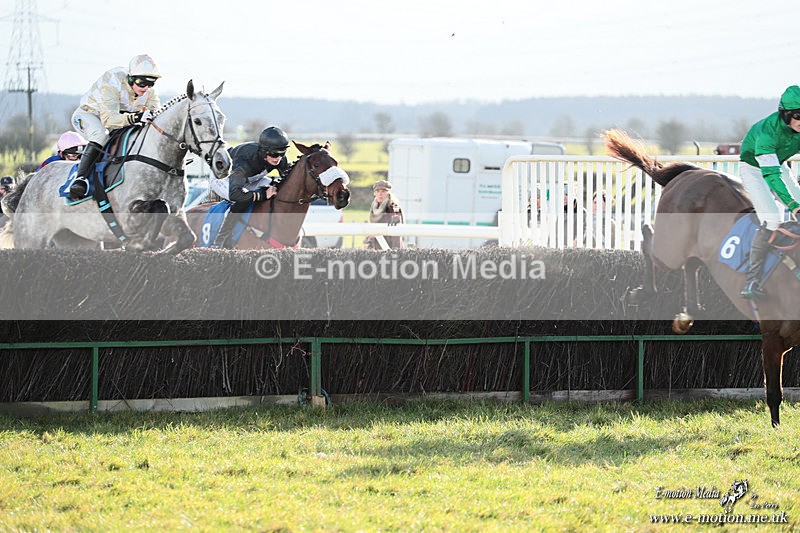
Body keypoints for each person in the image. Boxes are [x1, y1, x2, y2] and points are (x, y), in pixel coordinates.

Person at [68, 54, 162, 201]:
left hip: (118, 119)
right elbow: (109, 120)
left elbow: (156, 113)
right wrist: (136, 117)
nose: (146, 88)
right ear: (131, 78)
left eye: (152, 83)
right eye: (142, 83)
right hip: (91, 115)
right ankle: (80, 179)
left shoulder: (149, 92)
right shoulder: (112, 81)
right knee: (100, 135)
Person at [738, 85, 800, 299]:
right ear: (786, 115)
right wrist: (793, 205)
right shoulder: (768, 131)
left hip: (779, 165)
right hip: (754, 169)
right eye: (799, 115)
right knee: (773, 217)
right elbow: (771, 176)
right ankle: (752, 281)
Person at [210, 126, 289, 248]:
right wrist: (262, 195)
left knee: (276, 188)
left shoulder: (278, 159)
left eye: (282, 153)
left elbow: (290, 181)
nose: (278, 158)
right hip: (223, 178)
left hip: (251, 178)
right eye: (274, 154)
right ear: (264, 152)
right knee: (244, 198)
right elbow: (235, 193)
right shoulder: (244, 162)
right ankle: (220, 239)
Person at [364, 179, 404, 249]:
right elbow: (372, 229)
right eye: (377, 191)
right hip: (375, 247)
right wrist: (368, 243)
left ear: (388, 193)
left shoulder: (394, 207)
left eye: (383, 191)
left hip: (389, 247)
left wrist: (396, 251)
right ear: (374, 193)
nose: (380, 194)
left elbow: (397, 232)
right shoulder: (374, 208)